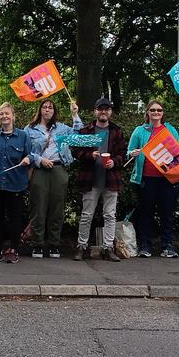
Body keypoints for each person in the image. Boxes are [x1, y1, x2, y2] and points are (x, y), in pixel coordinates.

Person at [25, 98, 82, 258]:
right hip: (39, 170)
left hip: (58, 169)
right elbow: (25, 151)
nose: (47, 110)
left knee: (57, 208)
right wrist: (39, 160)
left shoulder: (62, 128)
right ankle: (37, 244)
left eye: (50, 107)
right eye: (45, 107)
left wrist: (75, 114)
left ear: (54, 111)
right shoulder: (30, 130)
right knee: (38, 208)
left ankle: (54, 244)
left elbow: (78, 134)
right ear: (40, 110)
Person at [73, 97, 127, 261]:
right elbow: (75, 151)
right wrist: (90, 155)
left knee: (110, 215)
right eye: (100, 109)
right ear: (95, 111)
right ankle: (82, 247)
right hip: (90, 179)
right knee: (86, 215)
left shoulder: (116, 131)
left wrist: (114, 162)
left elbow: (122, 153)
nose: (103, 112)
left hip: (110, 179)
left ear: (110, 112)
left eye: (107, 109)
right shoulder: (85, 131)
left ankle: (108, 248)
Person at [126, 100, 179, 258]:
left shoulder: (170, 130)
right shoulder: (139, 131)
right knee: (145, 213)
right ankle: (145, 246)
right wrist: (132, 153)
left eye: (159, 110)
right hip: (146, 178)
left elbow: (178, 153)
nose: (156, 112)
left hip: (167, 178)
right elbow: (128, 151)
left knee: (167, 213)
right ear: (147, 112)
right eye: (153, 110)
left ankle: (167, 246)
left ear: (163, 113)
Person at [0, 103, 30, 264]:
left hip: (16, 184)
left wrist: (28, 159)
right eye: (1, 114)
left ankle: (13, 249)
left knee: (15, 218)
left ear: (13, 116)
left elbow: (31, 156)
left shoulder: (23, 136)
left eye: (7, 113)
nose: (4, 116)